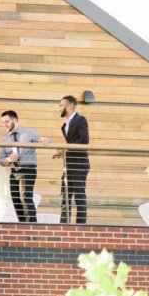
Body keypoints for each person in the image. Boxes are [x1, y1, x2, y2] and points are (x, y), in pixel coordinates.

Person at [0, 110, 45, 223]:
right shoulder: (5, 140)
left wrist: (43, 140)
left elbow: (41, 140)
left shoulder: (29, 133)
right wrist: (9, 159)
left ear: (15, 120)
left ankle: (32, 225)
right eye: (3, 122)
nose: (4, 124)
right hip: (14, 172)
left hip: (28, 169)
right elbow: (1, 161)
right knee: (16, 199)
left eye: (7, 121)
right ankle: (23, 225)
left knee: (25, 197)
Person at [59, 95, 90, 223]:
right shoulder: (65, 124)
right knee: (65, 196)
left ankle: (80, 227)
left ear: (69, 106)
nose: (59, 108)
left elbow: (84, 140)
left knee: (79, 196)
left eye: (61, 105)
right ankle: (64, 226)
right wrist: (63, 151)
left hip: (79, 164)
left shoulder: (80, 120)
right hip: (69, 164)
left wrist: (66, 148)